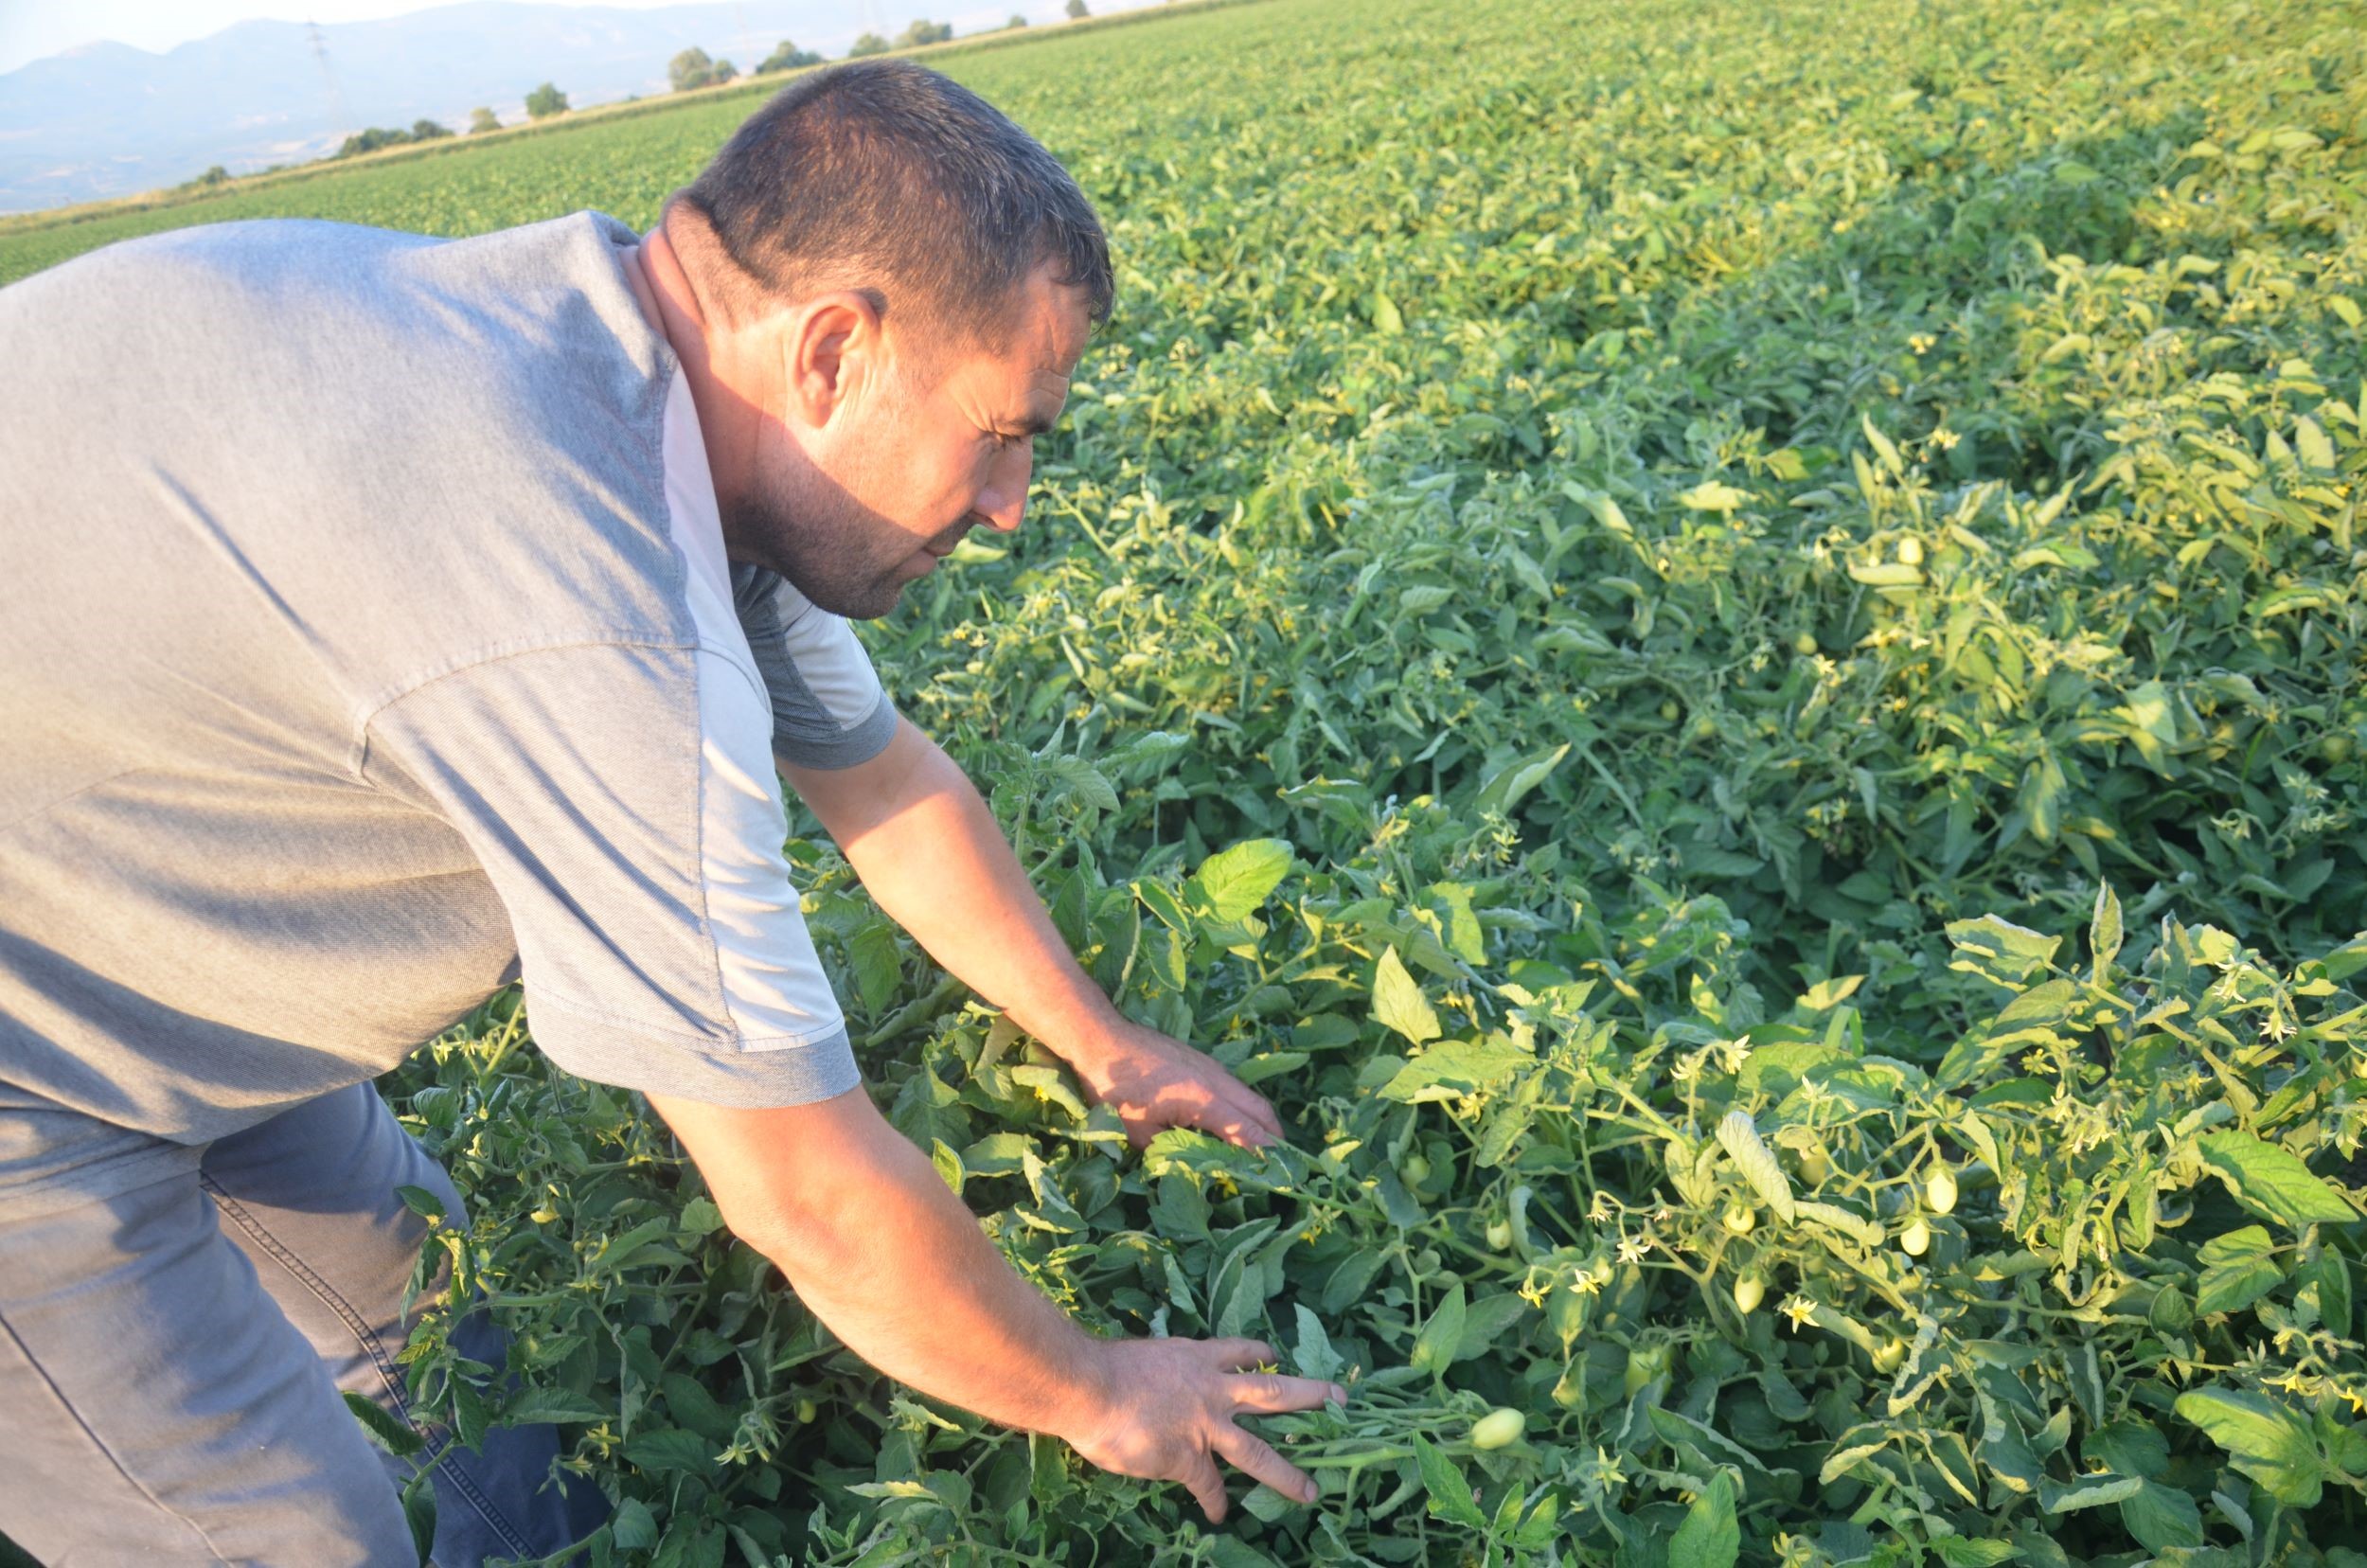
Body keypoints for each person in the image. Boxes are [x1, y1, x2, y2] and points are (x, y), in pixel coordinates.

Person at [0, 59, 1343, 1566]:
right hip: (25, 1069)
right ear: (832, 352)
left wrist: (1105, 1043)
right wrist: (1097, 1391)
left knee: (441, 1332)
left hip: (123, 926)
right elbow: (810, 1199)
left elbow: (883, 782)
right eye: (1002, 431)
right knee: (297, 1540)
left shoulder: (630, 387)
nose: (1014, 500)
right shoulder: (590, 597)